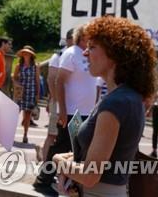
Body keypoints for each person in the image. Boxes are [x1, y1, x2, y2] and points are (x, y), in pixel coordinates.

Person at [52, 16, 156, 197]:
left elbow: (90, 175)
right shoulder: (130, 97)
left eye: (92, 47)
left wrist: (57, 160)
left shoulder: (115, 102)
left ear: (114, 55)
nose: (85, 53)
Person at [33, 25, 97, 196]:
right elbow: (59, 82)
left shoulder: (88, 54)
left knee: (76, 149)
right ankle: (43, 180)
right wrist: (62, 109)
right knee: (61, 145)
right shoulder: (71, 53)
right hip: (72, 111)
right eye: (88, 36)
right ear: (81, 37)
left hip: (85, 112)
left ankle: (67, 183)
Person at [42, 28, 74, 160]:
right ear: (67, 40)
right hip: (59, 102)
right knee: (52, 135)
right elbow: (51, 79)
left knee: (65, 138)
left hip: (71, 103)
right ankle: (46, 164)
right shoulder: (59, 55)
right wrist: (55, 99)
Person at [13, 45, 40, 144]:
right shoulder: (18, 66)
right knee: (15, 113)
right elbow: (14, 77)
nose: (26, 54)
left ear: (31, 55)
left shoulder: (35, 66)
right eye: (24, 53)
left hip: (31, 91)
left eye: (27, 53)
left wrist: (38, 94)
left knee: (28, 114)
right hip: (21, 92)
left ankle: (25, 134)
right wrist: (17, 84)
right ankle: (10, 133)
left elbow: (37, 80)